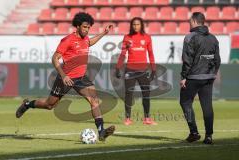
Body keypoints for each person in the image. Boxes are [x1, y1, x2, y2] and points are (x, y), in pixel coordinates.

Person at [16, 12, 115, 141]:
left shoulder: (85, 39)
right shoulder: (68, 40)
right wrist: (63, 76)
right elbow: (55, 58)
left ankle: (101, 131)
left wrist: (104, 33)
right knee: (50, 105)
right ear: (78, 26)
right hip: (66, 78)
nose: (87, 30)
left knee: (94, 100)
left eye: (89, 27)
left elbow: (89, 42)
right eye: (85, 27)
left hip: (81, 77)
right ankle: (28, 104)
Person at [180, 12, 221, 144]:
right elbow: (217, 59)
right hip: (209, 76)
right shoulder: (213, 38)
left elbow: (187, 60)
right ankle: (209, 136)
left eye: (189, 21)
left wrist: (184, 77)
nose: (188, 23)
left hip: (193, 77)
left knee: (185, 102)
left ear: (194, 21)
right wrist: (213, 72)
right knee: (207, 105)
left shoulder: (190, 37)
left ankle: (194, 132)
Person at [115, 17, 157, 125]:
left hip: (143, 71)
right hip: (130, 70)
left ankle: (147, 119)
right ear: (131, 26)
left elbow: (151, 54)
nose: (136, 26)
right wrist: (118, 67)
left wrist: (153, 70)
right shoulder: (127, 37)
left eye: (138, 24)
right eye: (134, 24)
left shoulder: (147, 37)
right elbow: (123, 54)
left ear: (141, 25)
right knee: (129, 94)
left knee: (146, 94)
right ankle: (127, 119)